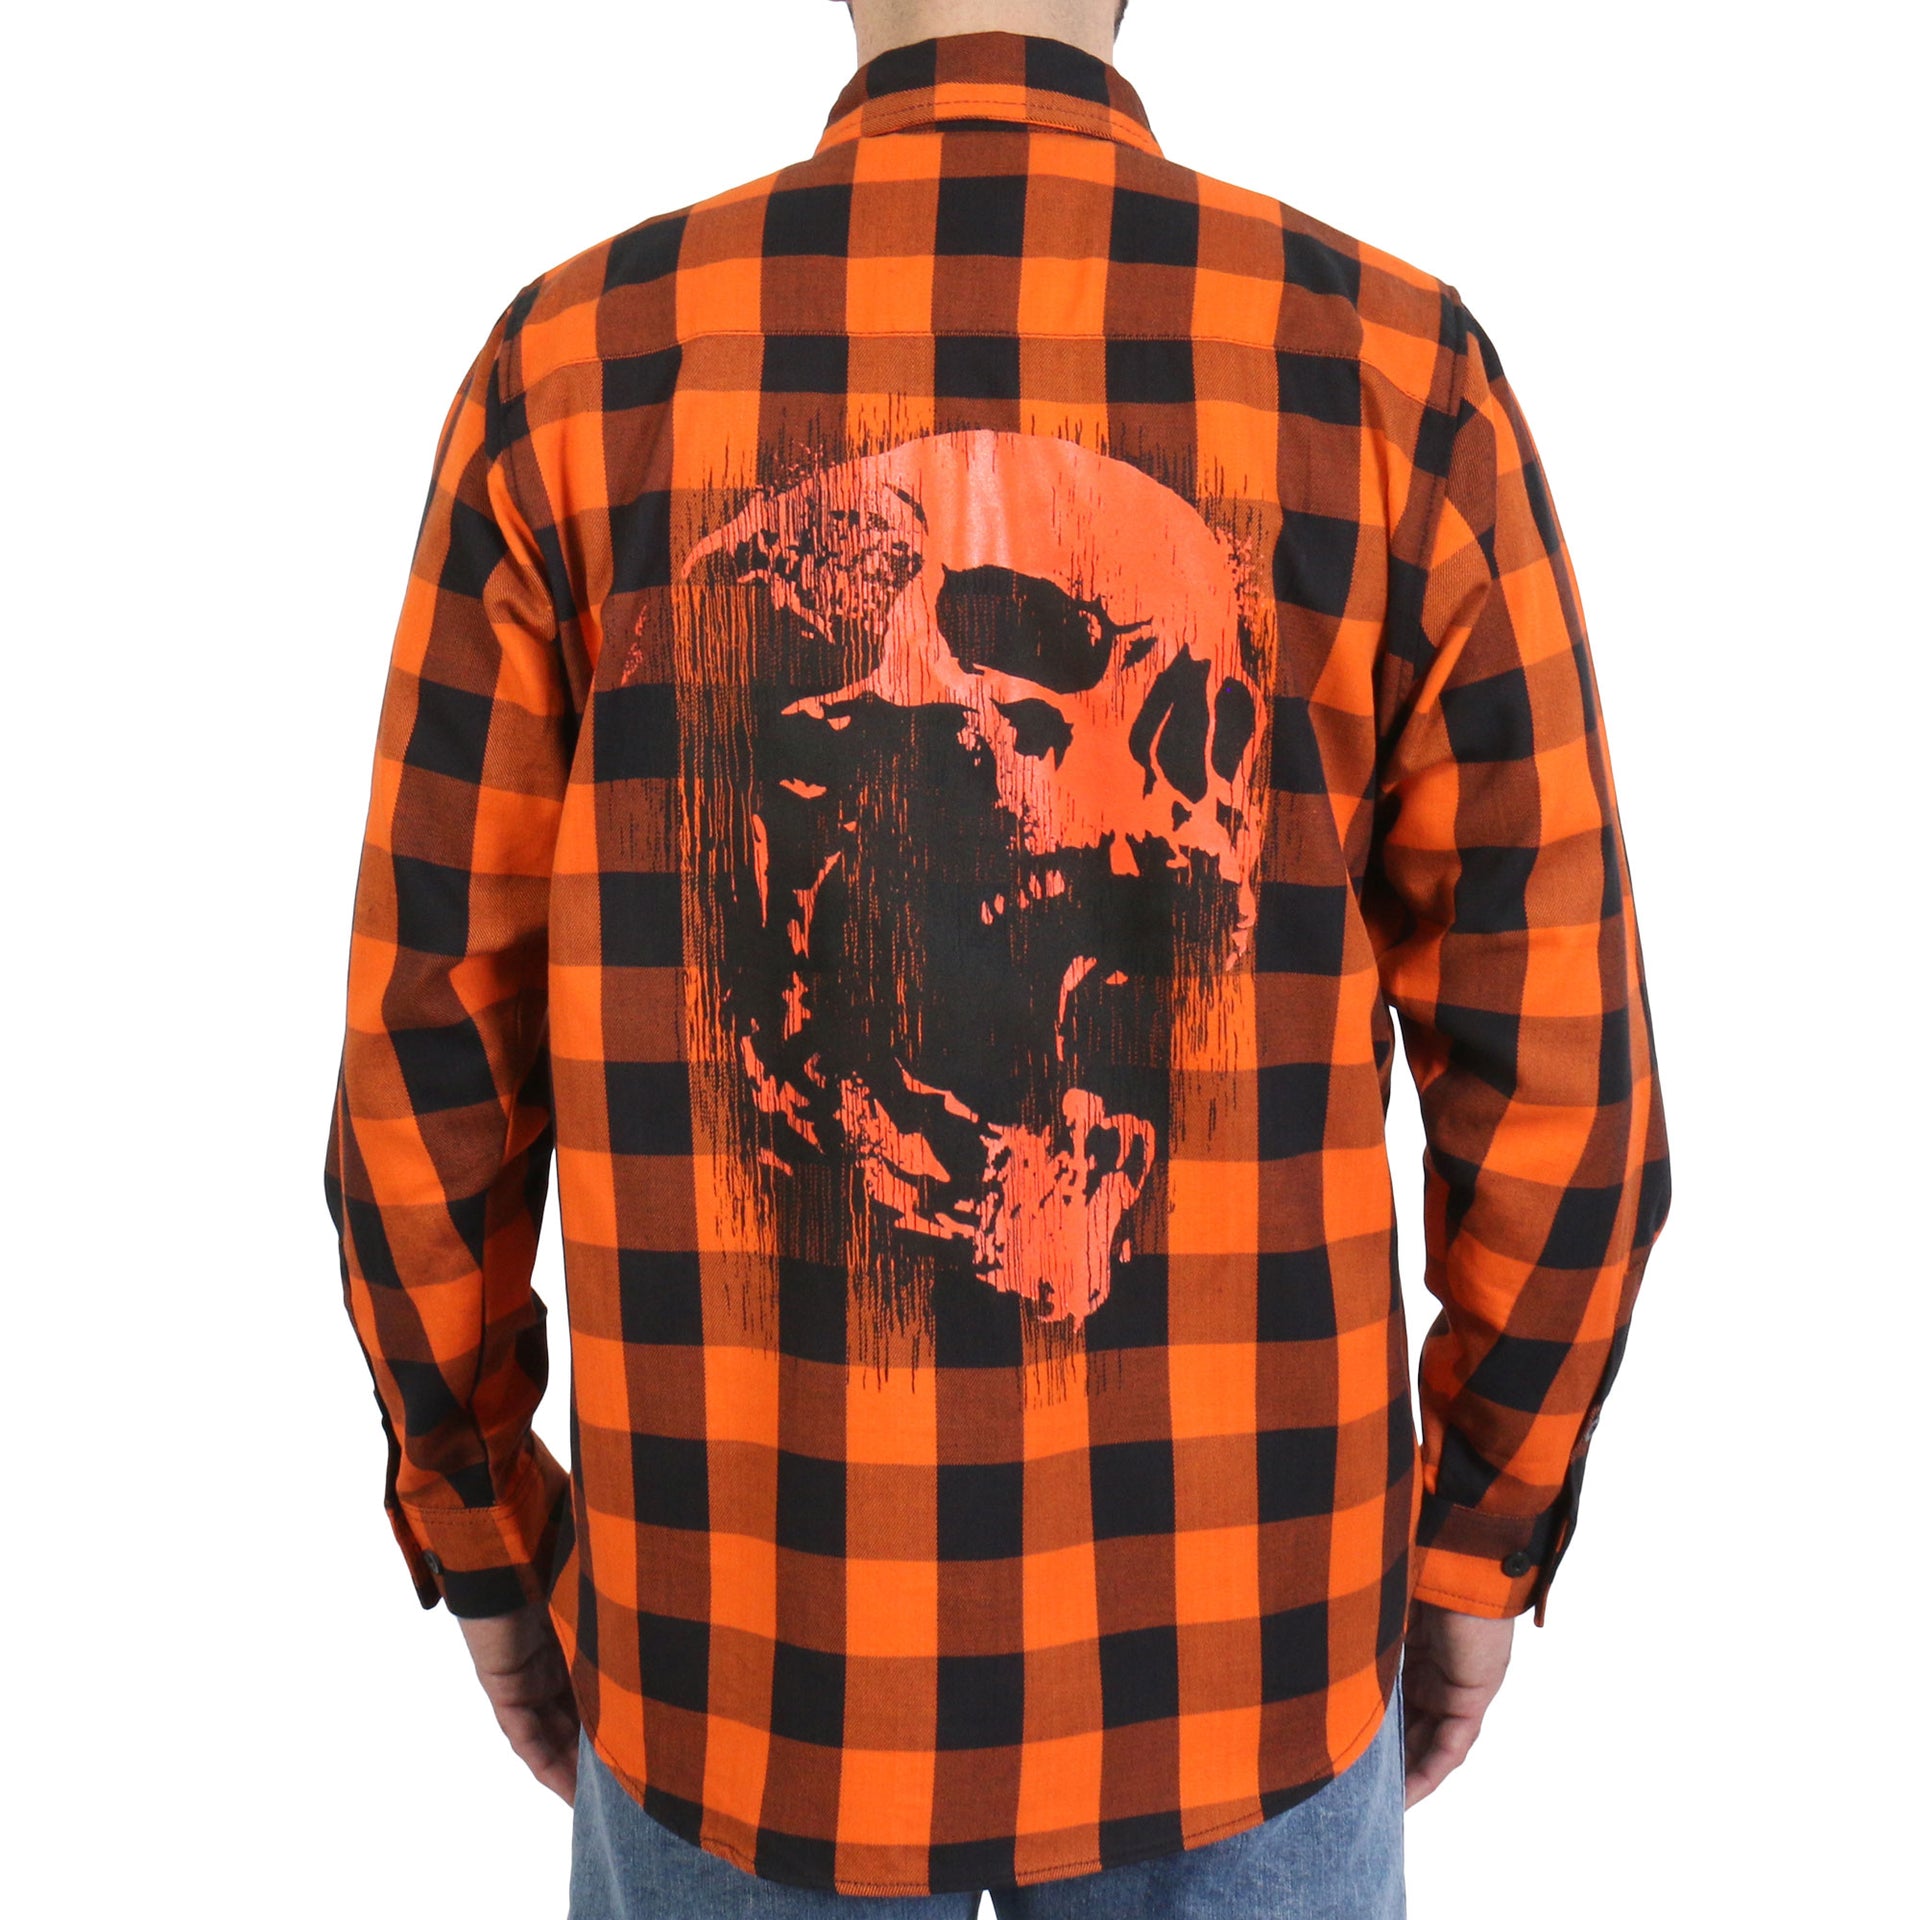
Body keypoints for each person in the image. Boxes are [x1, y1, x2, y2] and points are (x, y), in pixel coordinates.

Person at [323, 0, 1670, 1912]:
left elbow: (425, 1058)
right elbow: (1566, 1079)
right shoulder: (1390, 378)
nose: (1145, 834)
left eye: (1187, 753)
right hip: (1248, 1663)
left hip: (728, 1669)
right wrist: (1478, 1538)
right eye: (1023, 695)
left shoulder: (572, 379)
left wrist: (483, 1523)